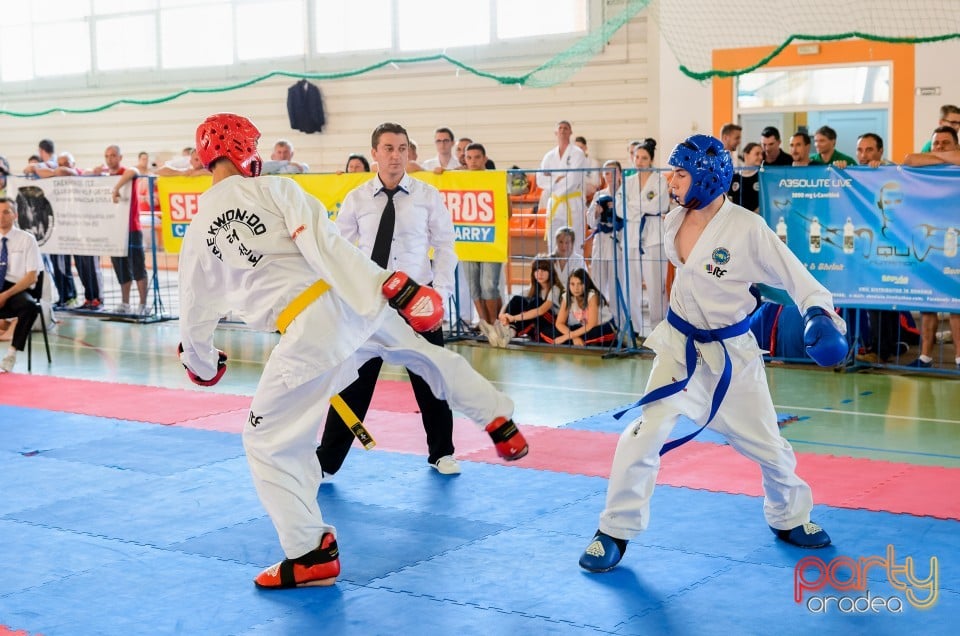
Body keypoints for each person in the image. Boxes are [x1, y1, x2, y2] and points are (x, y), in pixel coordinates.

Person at [179, 113, 528, 589]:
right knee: (422, 354)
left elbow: (195, 316)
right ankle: (497, 417)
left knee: (265, 441)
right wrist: (392, 287)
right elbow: (329, 247)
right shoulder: (277, 191)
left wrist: (202, 363)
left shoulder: (198, 230)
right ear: (245, 149)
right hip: (349, 302)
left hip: (306, 333)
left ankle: (308, 553)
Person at [578, 134, 848, 574]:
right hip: (679, 347)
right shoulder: (672, 220)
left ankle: (789, 516)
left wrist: (818, 314)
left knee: (768, 447)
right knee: (643, 434)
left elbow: (799, 277)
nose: (671, 182)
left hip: (731, 356)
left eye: (680, 174)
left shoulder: (747, 229)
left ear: (705, 176)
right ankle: (614, 530)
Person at [315, 122, 462, 477]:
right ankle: (326, 463)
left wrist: (439, 295)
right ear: (375, 154)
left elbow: (445, 248)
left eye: (402, 149)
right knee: (354, 383)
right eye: (388, 148)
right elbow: (337, 249)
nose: (395, 155)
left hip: (418, 301)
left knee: (431, 381)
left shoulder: (428, 196)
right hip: (369, 303)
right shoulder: (357, 199)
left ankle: (441, 452)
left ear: (409, 153)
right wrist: (338, 296)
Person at [903, 126, 960, 370]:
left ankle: (959, 358)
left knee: (956, 305)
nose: (938, 148)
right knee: (929, 301)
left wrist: (938, 159)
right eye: (935, 144)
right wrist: (942, 156)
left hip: (954, 240)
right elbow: (909, 159)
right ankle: (925, 357)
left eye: (944, 143)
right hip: (930, 239)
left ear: (956, 145)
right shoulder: (932, 160)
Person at [624, 138, 670, 336]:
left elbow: (659, 206)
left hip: (654, 238)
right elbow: (620, 208)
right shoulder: (627, 182)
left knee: (655, 286)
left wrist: (634, 206)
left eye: (644, 158)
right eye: (637, 157)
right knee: (632, 285)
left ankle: (658, 329)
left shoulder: (659, 181)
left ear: (651, 160)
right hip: (632, 236)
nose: (640, 161)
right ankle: (633, 328)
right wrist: (639, 207)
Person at [461, 143, 503, 329]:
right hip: (468, 238)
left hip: (490, 239)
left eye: (477, 157)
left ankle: (494, 322)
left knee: (488, 285)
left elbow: (506, 212)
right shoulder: (459, 179)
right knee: (473, 285)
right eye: (469, 158)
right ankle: (484, 324)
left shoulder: (495, 179)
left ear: (485, 158)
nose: (473, 161)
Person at [106, 145, 150, 315]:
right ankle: (125, 304)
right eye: (107, 156)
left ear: (120, 157)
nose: (110, 159)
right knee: (121, 267)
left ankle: (143, 304)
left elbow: (133, 171)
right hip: (114, 230)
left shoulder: (127, 172)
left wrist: (116, 188)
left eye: (113, 155)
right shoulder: (104, 175)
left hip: (131, 228)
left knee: (138, 266)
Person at [0, 197, 42, 373]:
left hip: (16, 288)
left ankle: (11, 354)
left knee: (30, 307)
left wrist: (5, 295)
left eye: (6, 212)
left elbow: (32, 276)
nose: (1, 217)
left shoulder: (27, 239)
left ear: (15, 215)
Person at [487, 255, 564, 347]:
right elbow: (511, 301)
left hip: (552, 323)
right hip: (536, 322)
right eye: (536, 270)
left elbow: (541, 310)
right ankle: (506, 330)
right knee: (517, 299)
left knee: (536, 302)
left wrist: (514, 318)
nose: (539, 274)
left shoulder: (555, 289)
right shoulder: (534, 289)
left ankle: (510, 332)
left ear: (551, 272)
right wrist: (502, 315)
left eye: (543, 270)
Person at [537, 121, 588, 255]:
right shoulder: (549, 156)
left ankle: (576, 274)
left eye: (566, 128)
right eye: (560, 128)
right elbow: (540, 180)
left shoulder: (578, 153)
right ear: (555, 133)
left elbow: (573, 180)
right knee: (553, 242)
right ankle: (555, 274)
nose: (563, 130)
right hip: (555, 203)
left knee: (575, 243)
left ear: (571, 132)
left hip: (572, 203)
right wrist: (557, 179)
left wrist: (553, 180)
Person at [587, 160, 625, 308]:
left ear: (620, 174)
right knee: (597, 285)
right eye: (607, 173)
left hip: (619, 246)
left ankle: (619, 323)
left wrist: (616, 208)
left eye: (614, 172)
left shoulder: (625, 194)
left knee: (618, 288)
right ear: (603, 175)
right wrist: (596, 213)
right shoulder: (598, 195)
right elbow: (590, 222)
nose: (610, 176)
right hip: (601, 247)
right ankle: (598, 321)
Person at [552, 268, 617, 347]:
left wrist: (567, 336)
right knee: (554, 332)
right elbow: (559, 323)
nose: (576, 288)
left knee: (590, 335)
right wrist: (574, 337)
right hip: (585, 328)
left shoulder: (592, 295)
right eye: (572, 284)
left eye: (580, 283)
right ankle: (578, 341)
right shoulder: (567, 296)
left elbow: (592, 324)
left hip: (602, 327)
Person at [727, 142, 763, 213]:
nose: (761, 157)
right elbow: (730, 200)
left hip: (755, 220)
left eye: (762, 154)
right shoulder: (735, 177)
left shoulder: (762, 177)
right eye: (757, 154)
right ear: (746, 155)